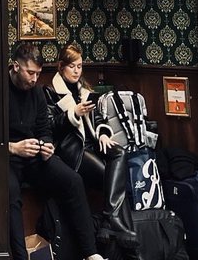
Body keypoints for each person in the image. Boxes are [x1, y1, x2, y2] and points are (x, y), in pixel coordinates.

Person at [7, 42, 104, 260]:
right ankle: (21, 257)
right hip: (8, 157)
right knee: (10, 193)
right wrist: (12, 147)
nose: (34, 79)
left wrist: (47, 145)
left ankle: (91, 253)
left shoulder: (37, 91)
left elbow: (44, 128)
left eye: (38, 74)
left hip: (34, 155)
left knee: (73, 181)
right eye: (30, 72)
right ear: (15, 66)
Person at [44, 43, 137, 253]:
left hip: (92, 144)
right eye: (72, 66)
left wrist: (103, 133)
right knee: (111, 177)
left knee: (119, 152)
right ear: (61, 67)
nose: (77, 71)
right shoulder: (50, 92)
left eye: (79, 66)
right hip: (72, 150)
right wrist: (73, 113)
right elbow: (50, 127)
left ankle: (110, 221)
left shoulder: (85, 90)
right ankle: (131, 248)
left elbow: (100, 118)